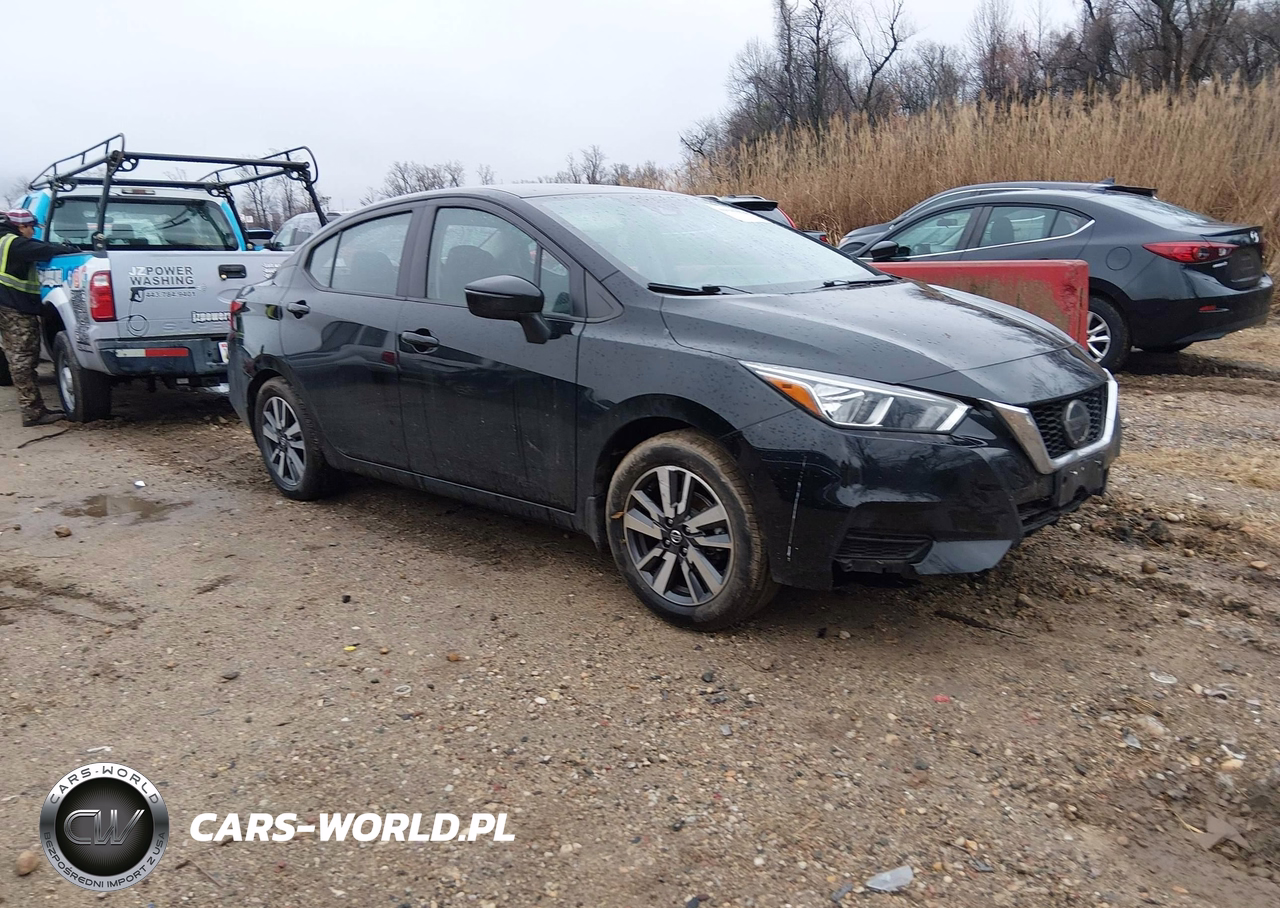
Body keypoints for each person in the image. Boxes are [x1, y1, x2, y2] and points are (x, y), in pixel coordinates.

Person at [0, 209, 80, 427]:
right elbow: (44, 249)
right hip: (13, 307)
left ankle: (33, 409)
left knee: (15, 356)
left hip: (7, 305)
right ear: (21, 226)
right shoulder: (14, 243)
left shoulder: (3, 240)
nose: (33, 232)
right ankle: (32, 412)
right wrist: (69, 250)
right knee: (23, 359)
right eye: (31, 227)